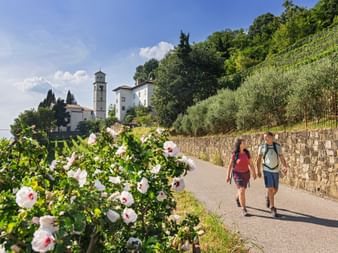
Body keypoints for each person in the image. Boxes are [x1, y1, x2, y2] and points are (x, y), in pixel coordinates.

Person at [256, 132, 289, 217]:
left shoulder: (277, 147)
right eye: (264, 138)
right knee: (270, 188)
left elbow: (281, 158)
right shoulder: (262, 147)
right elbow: (258, 160)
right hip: (266, 170)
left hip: (276, 170)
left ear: (272, 137)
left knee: (275, 189)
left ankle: (268, 198)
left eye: (267, 137)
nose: (265, 139)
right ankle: (272, 207)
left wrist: (285, 166)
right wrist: (258, 170)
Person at [227, 138, 256, 216]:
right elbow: (230, 166)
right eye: (243, 143)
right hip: (237, 174)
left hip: (246, 174)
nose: (245, 144)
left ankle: (238, 198)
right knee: (242, 190)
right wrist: (228, 176)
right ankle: (244, 209)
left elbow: (251, 164)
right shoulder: (235, 154)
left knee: (241, 190)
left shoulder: (247, 153)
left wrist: (254, 172)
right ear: (239, 145)